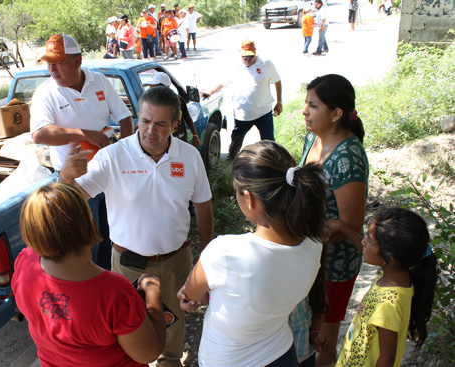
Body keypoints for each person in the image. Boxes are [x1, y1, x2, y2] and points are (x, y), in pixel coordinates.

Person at [59, 86, 214, 367]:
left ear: (175, 125)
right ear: (137, 118)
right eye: (145, 121)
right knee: (129, 327)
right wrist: (65, 178)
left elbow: (203, 206)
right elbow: (72, 198)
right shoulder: (113, 157)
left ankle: (171, 360)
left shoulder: (189, 156)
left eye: (160, 124)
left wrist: (207, 259)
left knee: (175, 321)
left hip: (177, 260)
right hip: (128, 264)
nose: (150, 130)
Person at [178, 140, 327, 366]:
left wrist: (190, 297)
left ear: (249, 198)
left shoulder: (226, 253)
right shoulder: (315, 244)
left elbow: (191, 295)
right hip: (282, 355)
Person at [12, 182, 166, 367]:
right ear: (87, 223)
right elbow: (148, 353)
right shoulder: (115, 292)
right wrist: (153, 292)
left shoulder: (24, 261)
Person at [30, 33, 135, 270]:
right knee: (88, 238)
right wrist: (84, 134)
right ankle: (94, 282)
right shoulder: (46, 93)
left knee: (115, 229)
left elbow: (125, 117)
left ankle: (116, 278)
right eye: (49, 63)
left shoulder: (99, 81)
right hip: (75, 181)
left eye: (58, 62)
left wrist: (125, 155)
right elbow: (39, 134)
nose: (52, 69)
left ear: (77, 61)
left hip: (109, 172)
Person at [299, 74, 369, 367]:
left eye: (313, 106)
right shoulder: (312, 138)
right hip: (308, 254)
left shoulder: (348, 158)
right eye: (305, 103)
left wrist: (299, 230)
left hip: (334, 265)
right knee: (306, 331)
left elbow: (347, 228)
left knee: (322, 343)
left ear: (337, 113)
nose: (304, 111)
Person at [329, 208, 438, 366]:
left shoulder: (388, 303)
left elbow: (387, 359)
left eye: (369, 239)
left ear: (390, 257)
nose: (363, 242)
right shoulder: (399, 277)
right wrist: (342, 227)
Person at [201, 39, 283, 161]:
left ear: (255, 53)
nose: (247, 58)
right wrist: (211, 92)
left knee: (269, 143)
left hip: (263, 112)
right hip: (243, 115)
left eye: (251, 55)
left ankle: (271, 163)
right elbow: (223, 82)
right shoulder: (234, 67)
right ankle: (232, 158)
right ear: (240, 53)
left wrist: (279, 102)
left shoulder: (266, 64)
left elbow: (277, 81)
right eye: (245, 56)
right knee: (236, 141)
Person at [143, 72, 200, 147]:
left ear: (162, 87)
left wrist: (195, 135)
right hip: (163, 145)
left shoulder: (179, 100)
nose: (150, 89)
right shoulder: (151, 104)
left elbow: (187, 118)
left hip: (180, 141)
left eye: (153, 87)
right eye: (150, 87)